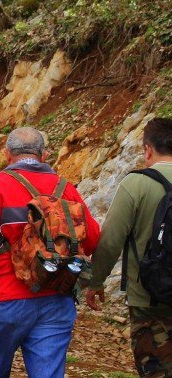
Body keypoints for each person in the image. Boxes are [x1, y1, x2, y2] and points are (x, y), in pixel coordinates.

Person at [0, 127, 100, 378]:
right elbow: (93, 237)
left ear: (7, 154)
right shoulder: (65, 188)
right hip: (56, 296)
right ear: (44, 155)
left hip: (5, 299)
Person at [86, 118, 172, 377]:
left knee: (155, 368)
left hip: (149, 297)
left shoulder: (137, 184)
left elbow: (112, 240)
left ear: (147, 149)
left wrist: (95, 281)